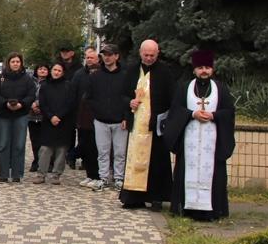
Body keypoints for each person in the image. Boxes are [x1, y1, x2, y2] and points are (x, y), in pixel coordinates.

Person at [163, 50, 235, 221]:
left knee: (213, 173)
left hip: (212, 142)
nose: (204, 71)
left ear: (212, 69)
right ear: (194, 69)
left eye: (207, 67)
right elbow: (175, 111)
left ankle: (213, 211)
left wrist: (214, 116)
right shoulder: (184, 87)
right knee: (186, 171)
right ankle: (184, 208)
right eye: (200, 67)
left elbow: (229, 112)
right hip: (190, 141)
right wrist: (191, 114)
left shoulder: (221, 89)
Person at [120, 39, 175, 210]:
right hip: (136, 125)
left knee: (157, 163)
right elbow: (122, 94)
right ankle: (133, 197)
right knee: (134, 160)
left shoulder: (165, 72)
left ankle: (156, 197)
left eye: (152, 55)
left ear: (157, 54)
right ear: (140, 53)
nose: (149, 58)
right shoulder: (131, 70)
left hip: (155, 126)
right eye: (146, 55)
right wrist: (130, 103)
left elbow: (171, 98)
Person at [87, 43, 128, 191]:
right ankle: (103, 177)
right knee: (102, 151)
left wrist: (126, 116)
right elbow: (89, 97)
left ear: (117, 56)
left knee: (120, 152)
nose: (107, 57)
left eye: (110, 54)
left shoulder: (125, 75)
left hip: (120, 121)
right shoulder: (96, 76)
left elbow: (129, 97)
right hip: (101, 120)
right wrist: (97, 111)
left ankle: (119, 178)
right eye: (105, 55)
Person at [0, 52, 36, 184]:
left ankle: (17, 173)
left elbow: (31, 94)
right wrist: (5, 104)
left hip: (20, 114)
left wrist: (22, 104)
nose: (15, 64)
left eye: (18, 61)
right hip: (4, 114)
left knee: (19, 145)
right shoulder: (0, 78)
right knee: (4, 144)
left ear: (21, 63)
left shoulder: (27, 79)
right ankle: (3, 174)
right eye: (13, 61)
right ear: (8, 63)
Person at [32, 63, 76, 185]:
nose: (56, 72)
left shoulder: (68, 85)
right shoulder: (45, 86)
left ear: (63, 72)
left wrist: (59, 116)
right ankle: (41, 174)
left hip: (64, 121)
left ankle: (56, 174)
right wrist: (51, 116)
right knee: (45, 148)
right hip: (48, 121)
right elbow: (43, 103)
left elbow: (70, 103)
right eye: (54, 70)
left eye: (59, 70)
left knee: (61, 149)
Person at [72, 48, 101, 188]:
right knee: (86, 148)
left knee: (97, 149)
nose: (89, 60)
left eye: (92, 58)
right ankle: (90, 175)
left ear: (98, 59)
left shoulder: (102, 73)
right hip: (83, 118)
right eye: (87, 57)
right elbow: (74, 94)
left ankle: (99, 176)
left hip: (99, 118)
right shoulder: (79, 75)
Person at [27, 64, 49, 173]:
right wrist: (32, 104)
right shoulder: (31, 82)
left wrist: (39, 104)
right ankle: (36, 160)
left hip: (45, 115)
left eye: (45, 69)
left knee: (45, 140)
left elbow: (50, 96)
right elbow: (27, 94)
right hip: (31, 115)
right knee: (34, 140)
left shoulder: (50, 83)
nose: (42, 70)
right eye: (40, 68)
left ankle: (46, 162)